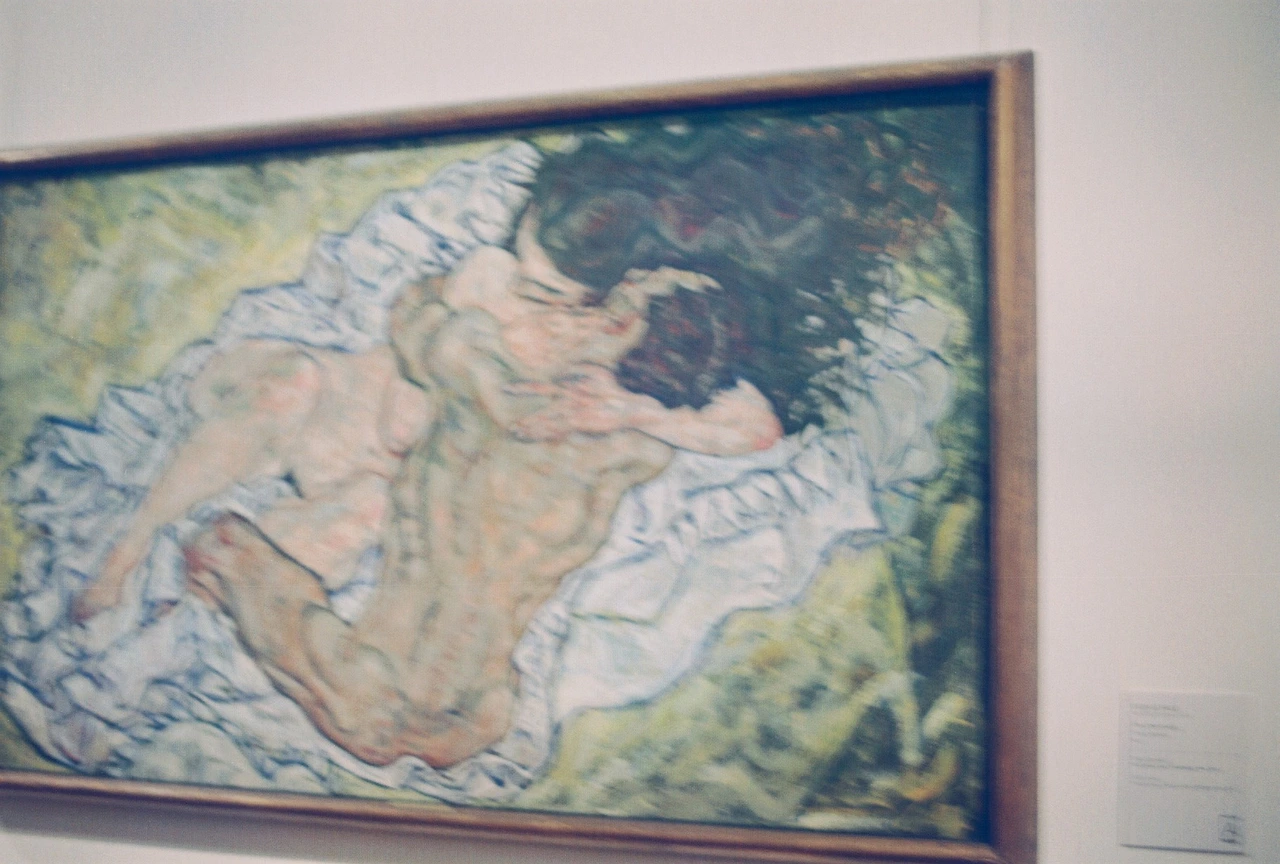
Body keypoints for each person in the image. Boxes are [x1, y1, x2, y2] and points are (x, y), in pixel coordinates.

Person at [181, 205, 783, 768]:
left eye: (623, 311)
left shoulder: (639, 438)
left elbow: (760, 427)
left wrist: (632, 410)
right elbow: (423, 312)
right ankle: (236, 560)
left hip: (479, 692)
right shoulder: (482, 358)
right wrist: (494, 331)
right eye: (597, 303)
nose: (597, 319)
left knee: (462, 733)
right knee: (370, 722)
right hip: (389, 653)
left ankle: (244, 579)